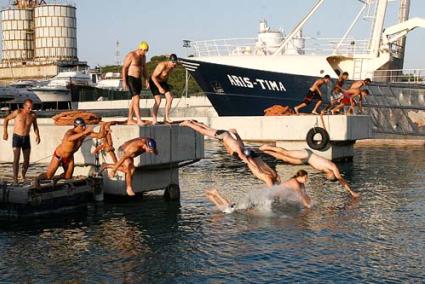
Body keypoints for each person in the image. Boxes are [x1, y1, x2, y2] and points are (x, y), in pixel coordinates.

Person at [180, 120, 280, 186]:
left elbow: (241, 145)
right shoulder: (239, 150)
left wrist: (236, 133)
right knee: (203, 131)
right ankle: (188, 124)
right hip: (223, 135)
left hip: (224, 134)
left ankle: (194, 123)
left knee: (206, 129)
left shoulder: (241, 147)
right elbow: (242, 155)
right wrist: (249, 163)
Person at [259, 144, 360, 198]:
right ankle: (268, 146)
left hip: (306, 160)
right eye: (328, 178)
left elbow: (337, 179)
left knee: (285, 159)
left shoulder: (326, 171)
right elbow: (341, 180)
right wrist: (351, 192)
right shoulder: (333, 167)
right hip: (307, 155)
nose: (326, 177)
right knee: (286, 153)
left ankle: (266, 151)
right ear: (332, 174)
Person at [35, 118, 105, 187]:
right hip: (59, 156)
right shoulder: (70, 132)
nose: (84, 127)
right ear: (76, 126)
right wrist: (85, 132)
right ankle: (37, 180)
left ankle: (57, 178)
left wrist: (103, 126)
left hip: (69, 157)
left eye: (84, 125)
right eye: (82, 126)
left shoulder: (84, 134)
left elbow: (100, 135)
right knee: (49, 176)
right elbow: (70, 138)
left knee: (68, 177)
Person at [205, 170, 312, 213]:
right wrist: (308, 206)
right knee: (230, 208)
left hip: (271, 198)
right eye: (305, 178)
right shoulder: (295, 183)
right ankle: (215, 193)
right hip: (268, 197)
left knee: (231, 206)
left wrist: (309, 203)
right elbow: (302, 196)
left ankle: (214, 195)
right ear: (300, 176)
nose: (306, 180)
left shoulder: (300, 183)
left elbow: (304, 195)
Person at [2, 99, 40, 184]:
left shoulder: (33, 115)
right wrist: (5, 132)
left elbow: (35, 126)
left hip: (26, 138)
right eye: (29, 108)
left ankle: (23, 175)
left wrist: (38, 135)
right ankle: (15, 179)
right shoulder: (18, 112)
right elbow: (6, 119)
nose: (30, 109)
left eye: (31, 108)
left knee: (27, 160)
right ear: (24, 106)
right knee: (16, 158)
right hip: (17, 137)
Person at [122, 41, 150, 126]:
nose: (145, 53)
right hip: (131, 79)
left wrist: (147, 79)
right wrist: (124, 81)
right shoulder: (131, 55)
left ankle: (130, 119)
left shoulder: (143, 57)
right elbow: (124, 68)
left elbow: (144, 68)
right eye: (144, 51)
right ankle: (138, 119)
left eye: (146, 51)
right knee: (136, 99)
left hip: (138, 80)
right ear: (139, 49)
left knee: (134, 100)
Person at [149, 54, 178, 124]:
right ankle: (154, 119)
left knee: (170, 98)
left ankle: (166, 118)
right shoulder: (162, 66)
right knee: (158, 101)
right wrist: (159, 87)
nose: (174, 64)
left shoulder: (173, 66)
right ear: (169, 61)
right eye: (173, 62)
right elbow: (153, 77)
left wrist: (164, 86)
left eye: (175, 62)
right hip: (154, 82)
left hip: (163, 82)